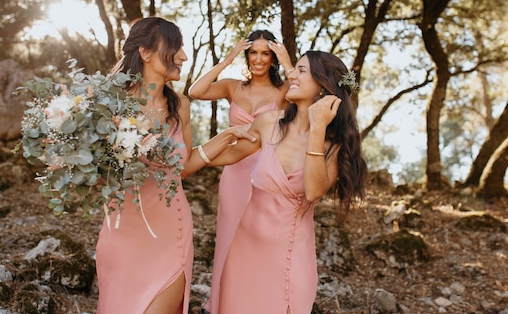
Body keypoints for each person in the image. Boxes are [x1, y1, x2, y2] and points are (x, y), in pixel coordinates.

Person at [186, 50, 368, 314]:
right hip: (242, 253)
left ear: (322, 86)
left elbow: (314, 190)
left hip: (288, 262)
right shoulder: (269, 122)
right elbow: (228, 154)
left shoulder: (334, 146)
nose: (291, 74)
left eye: (301, 70)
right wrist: (187, 157)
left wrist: (317, 130)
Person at [95, 17, 254, 314]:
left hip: (171, 232)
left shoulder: (179, 105)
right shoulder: (109, 102)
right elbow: (94, 174)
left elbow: (185, 165)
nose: (183, 56)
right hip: (122, 234)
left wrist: (228, 136)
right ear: (145, 52)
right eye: (175, 47)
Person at [188, 30, 293, 314]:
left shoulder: (283, 92)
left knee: (260, 239)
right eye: (253, 52)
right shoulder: (232, 87)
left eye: (265, 53)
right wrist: (226, 60)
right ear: (247, 56)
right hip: (234, 174)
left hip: (267, 174)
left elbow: (306, 93)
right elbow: (195, 91)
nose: (258, 59)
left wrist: (288, 61)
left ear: (272, 58)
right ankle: (224, 306)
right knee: (229, 239)